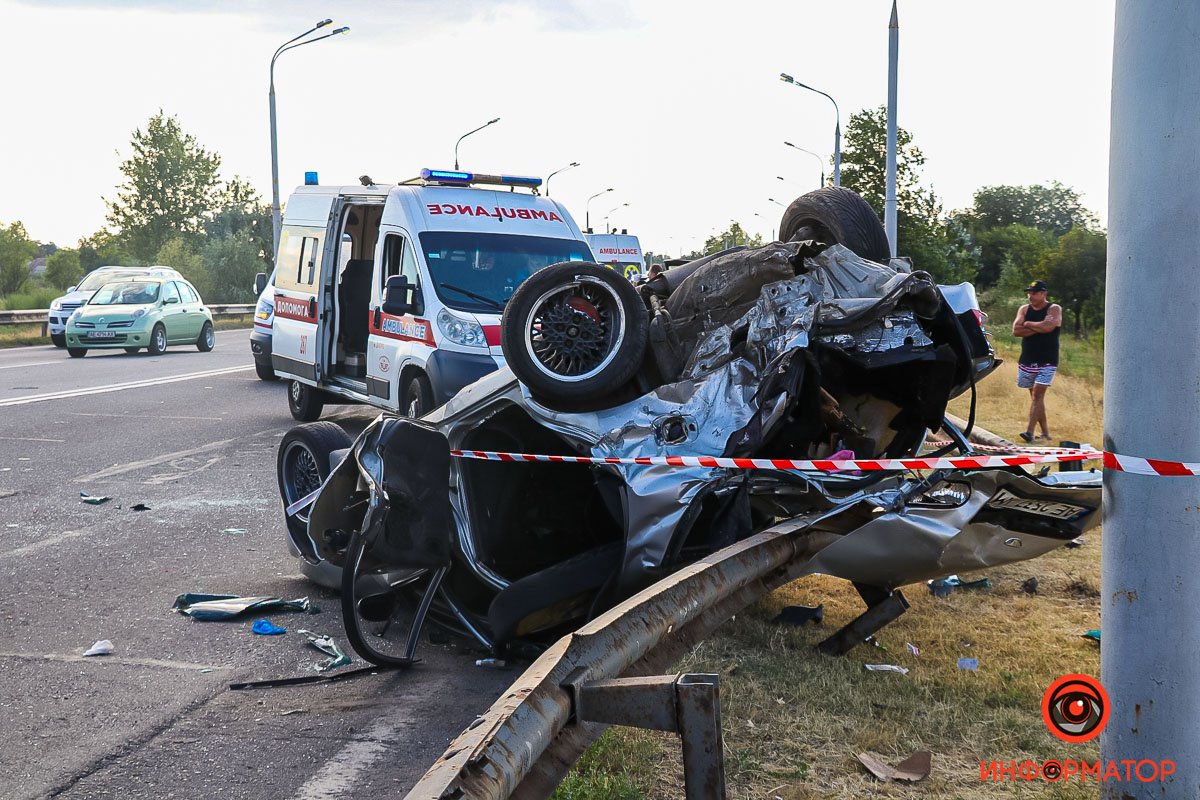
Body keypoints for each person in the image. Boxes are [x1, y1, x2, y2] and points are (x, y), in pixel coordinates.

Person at [1011, 280, 1063, 442]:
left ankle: (1029, 432)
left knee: (1037, 395)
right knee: (1036, 398)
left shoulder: (1054, 309)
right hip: (1027, 359)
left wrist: (1028, 324)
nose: (1030, 296)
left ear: (1043, 293)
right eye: (1029, 292)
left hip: (1047, 360)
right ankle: (1046, 432)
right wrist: (1039, 326)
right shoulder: (1024, 309)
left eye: (1034, 293)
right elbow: (1016, 331)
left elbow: (1049, 327)